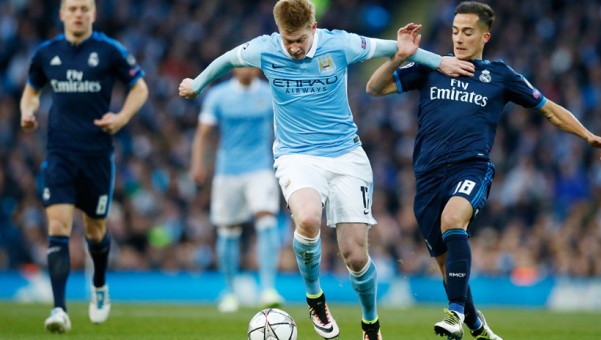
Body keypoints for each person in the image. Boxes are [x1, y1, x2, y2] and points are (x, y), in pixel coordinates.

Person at [179, 1, 474, 338]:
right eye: (287, 39)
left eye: (299, 40)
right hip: (296, 156)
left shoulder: (341, 44)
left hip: (347, 157)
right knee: (306, 219)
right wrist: (198, 83)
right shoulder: (265, 48)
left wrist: (441, 61)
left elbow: (395, 47)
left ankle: (370, 323)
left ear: (314, 28)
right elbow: (227, 59)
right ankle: (315, 298)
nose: (292, 47)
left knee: (355, 256)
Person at [366, 2, 601, 339]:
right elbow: (375, 88)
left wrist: (587, 135)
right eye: (454, 31)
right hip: (426, 178)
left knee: (454, 220)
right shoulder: (432, 66)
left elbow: (549, 110)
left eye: (467, 32)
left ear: (485, 35)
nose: (459, 38)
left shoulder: (500, 76)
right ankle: (477, 326)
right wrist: (400, 56)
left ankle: (453, 315)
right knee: (446, 266)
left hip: (471, 168)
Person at [19, 0, 148, 333]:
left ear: (93, 14)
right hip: (60, 154)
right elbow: (31, 91)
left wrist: (121, 117)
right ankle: (59, 309)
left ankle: (100, 285)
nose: (78, 14)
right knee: (58, 227)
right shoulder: (46, 53)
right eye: (72, 8)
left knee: (95, 231)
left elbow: (140, 87)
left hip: (96, 156)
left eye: (84, 8)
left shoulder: (109, 51)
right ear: (62, 14)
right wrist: (27, 111)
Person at [190, 67, 284, 313]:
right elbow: (204, 133)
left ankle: (268, 288)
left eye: (253, 64)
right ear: (234, 68)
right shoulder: (218, 96)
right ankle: (229, 292)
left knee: (266, 218)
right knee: (228, 230)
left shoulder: (269, 93)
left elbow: (286, 125)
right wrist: (199, 163)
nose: (248, 69)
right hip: (228, 170)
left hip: (260, 167)